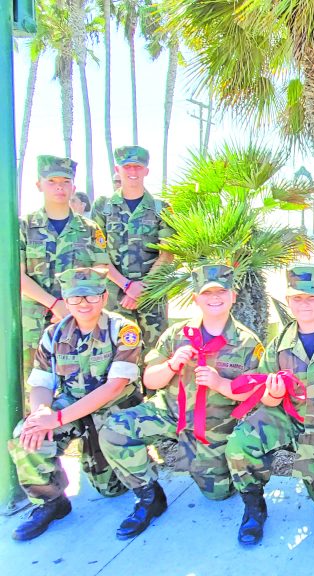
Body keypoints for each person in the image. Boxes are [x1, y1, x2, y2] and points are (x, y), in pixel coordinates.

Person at [99, 265, 264, 539]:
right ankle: (149, 497)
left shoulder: (247, 342)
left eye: (221, 291)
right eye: (206, 292)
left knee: (218, 494)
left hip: (214, 424)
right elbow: (150, 380)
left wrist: (220, 383)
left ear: (233, 296)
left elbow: (253, 392)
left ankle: (209, 468)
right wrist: (172, 365)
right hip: (169, 413)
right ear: (196, 298)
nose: (214, 298)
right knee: (115, 430)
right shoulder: (176, 335)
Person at [225, 265, 314, 546]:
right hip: (291, 420)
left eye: (310, 298)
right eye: (297, 298)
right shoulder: (279, 344)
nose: (304, 304)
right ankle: (253, 509)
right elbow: (265, 396)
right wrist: (273, 395)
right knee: (240, 443)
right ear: (288, 301)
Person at [8, 267, 143, 541]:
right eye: (76, 298)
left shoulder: (123, 330)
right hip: (72, 406)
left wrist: (57, 419)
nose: (83, 303)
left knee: (111, 489)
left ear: (104, 297)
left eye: (91, 296)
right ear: (66, 300)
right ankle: (50, 502)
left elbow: (115, 386)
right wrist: (42, 412)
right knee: (27, 434)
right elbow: (41, 383)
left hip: (113, 409)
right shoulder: (54, 334)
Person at [20, 156, 110, 402]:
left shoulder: (90, 229)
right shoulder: (24, 226)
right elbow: (16, 277)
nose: (59, 187)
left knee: (82, 382)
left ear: (73, 186)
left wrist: (72, 305)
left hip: (80, 319)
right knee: (34, 383)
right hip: (35, 321)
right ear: (39, 185)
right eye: (52, 181)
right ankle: (37, 433)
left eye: (65, 181)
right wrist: (54, 304)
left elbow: (101, 270)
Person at [92, 146, 174, 354]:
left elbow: (167, 255)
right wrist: (127, 285)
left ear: (146, 171)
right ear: (117, 169)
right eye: (127, 166)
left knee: (155, 354)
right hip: (114, 295)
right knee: (116, 354)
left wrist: (142, 287)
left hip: (152, 295)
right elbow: (97, 254)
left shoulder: (161, 208)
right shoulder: (103, 207)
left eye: (138, 167)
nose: (133, 172)